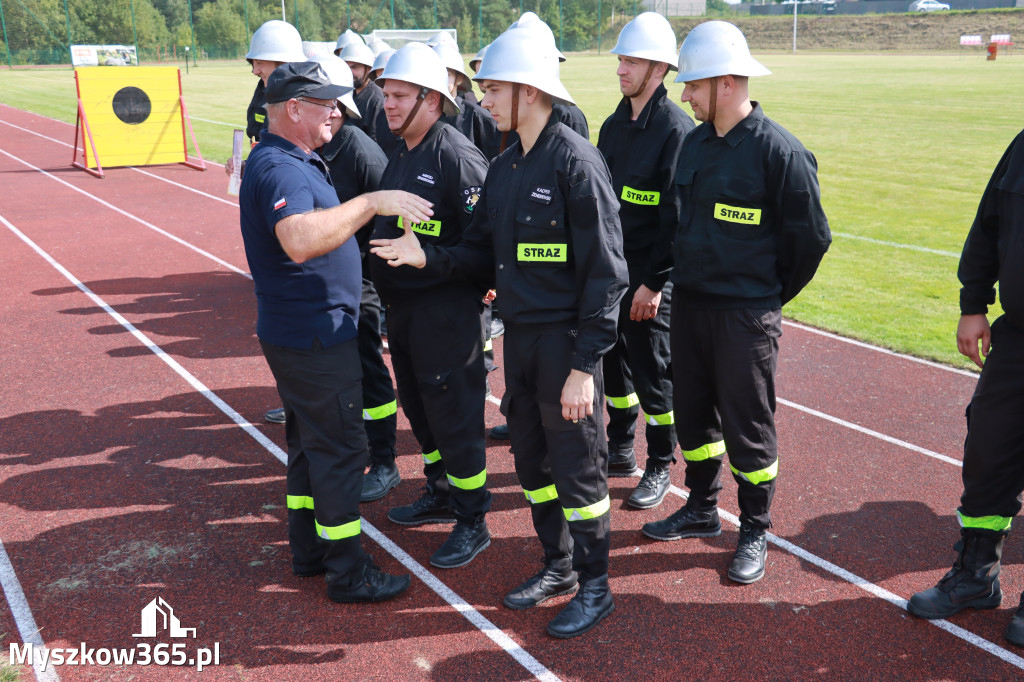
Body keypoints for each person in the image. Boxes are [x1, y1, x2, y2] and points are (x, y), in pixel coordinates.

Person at [371, 23, 628, 639]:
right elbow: (480, 254)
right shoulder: (507, 165)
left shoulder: (576, 162)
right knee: (534, 462)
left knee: (579, 472)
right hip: (523, 342)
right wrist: (426, 259)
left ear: (530, 91)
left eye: (491, 89)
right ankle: (558, 566)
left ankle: (596, 587)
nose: (481, 101)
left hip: (566, 344)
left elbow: (608, 273)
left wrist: (583, 367)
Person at [641, 21, 831, 585]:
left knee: (749, 425)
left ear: (725, 84)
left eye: (693, 86)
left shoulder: (781, 153)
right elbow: (678, 226)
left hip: (745, 315)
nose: (684, 96)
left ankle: (754, 527)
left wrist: (766, 298)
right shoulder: (694, 144)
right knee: (695, 415)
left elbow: (810, 240)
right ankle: (702, 508)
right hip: (691, 307)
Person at [238, 61, 431, 602]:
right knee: (342, 452)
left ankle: (310, 551)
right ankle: (348, 571)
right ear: (293, 109)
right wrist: (371, 202)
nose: (338, 112)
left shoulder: (290, 158)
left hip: (301, 333)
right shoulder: (282, 169)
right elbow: (299, 239)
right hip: (316, 338)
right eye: (326, 104)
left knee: (308, 445)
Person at [370, 42, 493, 569]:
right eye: (386, 95)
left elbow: (487, 254)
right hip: (405, 313)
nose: (388, 104)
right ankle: (441, 491)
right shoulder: (402, 150)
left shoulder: (457, 158)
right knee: (421, 411)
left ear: (434, 100)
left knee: (456, 418)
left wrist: (429, 260)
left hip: (447, 318)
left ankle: (473, 520)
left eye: (399, 96)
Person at [907, 127, 1024, 646]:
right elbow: (990, 222)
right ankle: (977, 576)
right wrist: (973, 302)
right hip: (1019, 338)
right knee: (989, 452)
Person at [597, 12, 694, 509]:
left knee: (653, 373)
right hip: (613, 274)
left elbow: (676, 219)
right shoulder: (613, 125)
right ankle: (619, 446)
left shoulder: (676, 130)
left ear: (659, 68)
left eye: (630, 60)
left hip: (652, 279)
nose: (621, 69)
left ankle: (660, 461)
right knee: (614, 368)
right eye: (620, 59)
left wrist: (654, 284)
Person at [309, 54, 402, 503]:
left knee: (370, 374)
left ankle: (385, 461)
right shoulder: (310, 149)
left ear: (337, 107)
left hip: (362, 284)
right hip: (324, 284)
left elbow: (393, 217)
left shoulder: (361, 152)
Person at [227, 20, 307, 425]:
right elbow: (259, 141)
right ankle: (295, 400)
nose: (256, 71)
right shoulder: (261, 97)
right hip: (270, 204)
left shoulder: (308, 96)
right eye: (255, 65)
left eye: (261, 63)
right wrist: (244, 165)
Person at [339, 42, 386, 149]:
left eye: (355, 67)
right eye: (346, 67)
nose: (349, 72)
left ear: (368, 69)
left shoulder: (376, 100)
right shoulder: (349, 94)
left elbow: (376, 142)